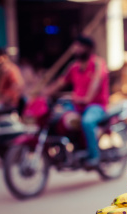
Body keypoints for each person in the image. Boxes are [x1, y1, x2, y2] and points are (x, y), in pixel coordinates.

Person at [44, 36, 109, 166]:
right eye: (75, 46)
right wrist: (43, 94)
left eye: (79, 47)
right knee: (56, 117)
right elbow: (60, 82)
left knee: (87, 122)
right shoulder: (74, 67)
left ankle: (94, 155)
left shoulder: (97, 63)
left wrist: (87, 98)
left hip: (96, 106)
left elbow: (96, 81)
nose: (76, 49)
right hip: (77, 105)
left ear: (88, 48)